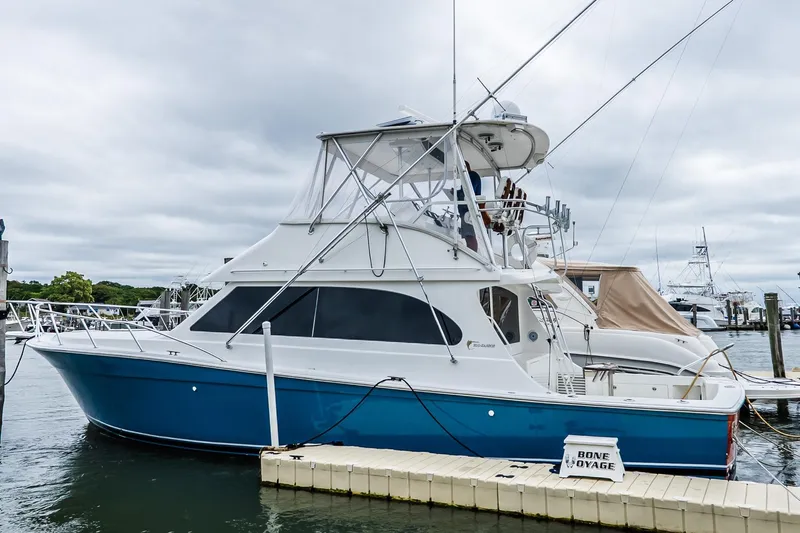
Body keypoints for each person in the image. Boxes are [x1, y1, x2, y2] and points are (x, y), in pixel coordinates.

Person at [447, 161, 482, 252]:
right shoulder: (469, 177)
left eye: (459, 169)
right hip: (467, 211)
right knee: (468, 236)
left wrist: (457, 193)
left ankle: (473, 254)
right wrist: (456, 192)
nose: (458, 172)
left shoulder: (471, 176)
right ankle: (473, 253)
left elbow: (469, 192)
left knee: (469, 235)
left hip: (468, 211)